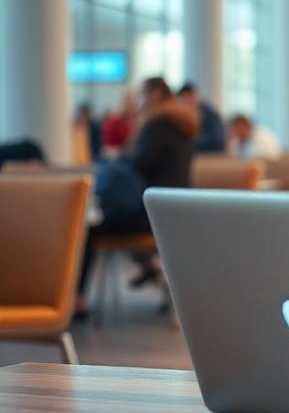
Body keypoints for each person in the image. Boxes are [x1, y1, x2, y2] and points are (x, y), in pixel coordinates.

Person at [78, 77, 199, 311]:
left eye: (142, 94)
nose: (140, 100)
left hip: (153, 213)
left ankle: (77, 299)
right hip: (172, 211)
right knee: (108, 219)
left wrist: (116, 156)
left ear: (154, 94)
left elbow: (141, 164)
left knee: (88, 227)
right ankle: (151, 270)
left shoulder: (157, 125)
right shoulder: (181, 124)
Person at [177, 82, 226, 153]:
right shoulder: (182, 116)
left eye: (187, 99)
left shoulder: (209, 114)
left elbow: (217, 140)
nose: (186, 104)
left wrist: (187, 143)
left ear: (194, 96)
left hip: (211, 158)